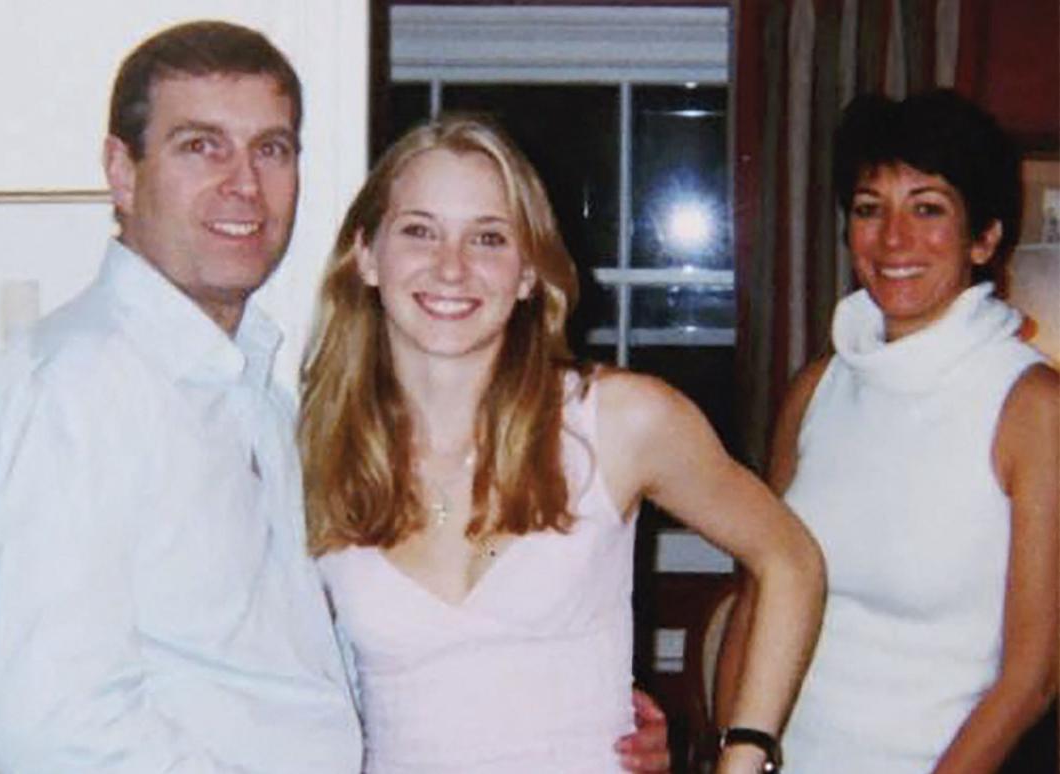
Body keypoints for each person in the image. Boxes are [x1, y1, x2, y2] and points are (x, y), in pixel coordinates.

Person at [0, 20, 671, 773]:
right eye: (200, 145)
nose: (243, 184)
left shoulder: (261, 395)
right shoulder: (76, 385)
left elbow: (302, 677)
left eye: (271, 149)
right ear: (122, 171)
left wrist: (564, 708)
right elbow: (53, 729)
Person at [299, 114, 825, 773]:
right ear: (366, 256)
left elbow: (789, 559)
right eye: (418, 231)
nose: (450, 266)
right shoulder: (311, 452)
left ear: (526, 273)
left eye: (488, 237)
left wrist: (744, 754)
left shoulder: (617, 421)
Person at [715, 90, 1059, 773]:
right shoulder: (815, 388)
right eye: (870, 209)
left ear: (984, 238)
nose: (892, 239)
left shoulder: (1032, 409)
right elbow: (757, 600)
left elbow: (1033, 674)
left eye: (927, 208)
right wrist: (733, 756)